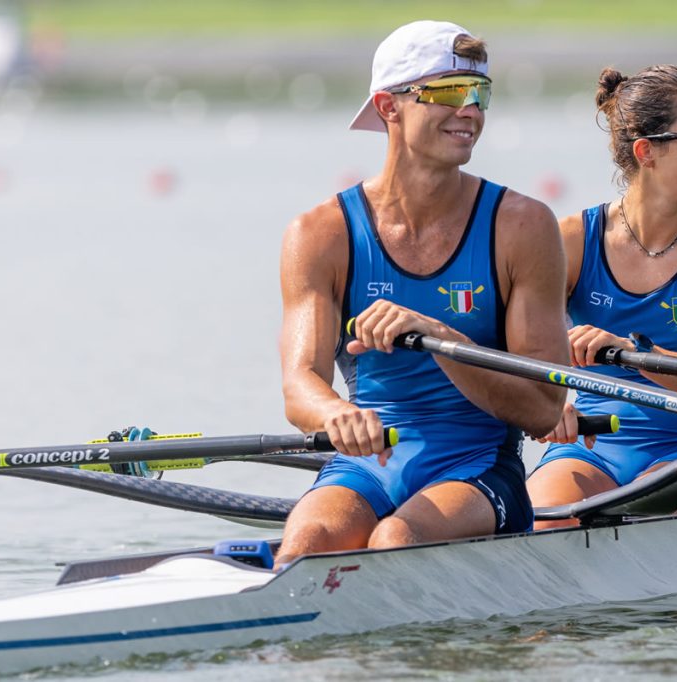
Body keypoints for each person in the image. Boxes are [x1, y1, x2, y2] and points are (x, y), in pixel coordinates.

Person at [275, 20, 568, 567]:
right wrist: (334, 413)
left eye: (480, 94)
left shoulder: (522, 226)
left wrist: (441, 339)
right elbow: (299, 385)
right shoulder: (319, 234)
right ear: (388, 106)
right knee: (305, 546)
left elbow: (542, 409)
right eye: (450, 93)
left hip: (478, 463)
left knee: (396, 540)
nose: (471, 111)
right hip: (367, 462)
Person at [527, 65, 677, 529]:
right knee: (545, 521)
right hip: (593, 445)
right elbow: (519, 350)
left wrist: (639, 356)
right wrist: (546, 401)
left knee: (644, 512)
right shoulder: (573, 239)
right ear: (646, 152)